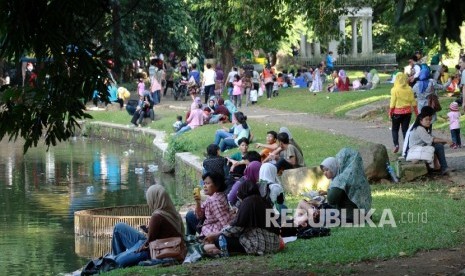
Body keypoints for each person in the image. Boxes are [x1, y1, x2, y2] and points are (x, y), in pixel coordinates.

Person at [109, 184, 184, 268]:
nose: (148, 202)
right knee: (119, 227)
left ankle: (115, 261)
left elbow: (149, 242)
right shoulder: (174, 213)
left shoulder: (157, 216)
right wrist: (150, 229)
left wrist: (137, 249)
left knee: (118, 261)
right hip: (157, 243)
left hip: (153, 249)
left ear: (154, 199)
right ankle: (117, 257)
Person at [295, 148, 372, 227]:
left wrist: (319, 203)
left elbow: (331, 200)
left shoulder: (341, 179)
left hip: (348, 217)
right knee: (310, 208)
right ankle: (298, 219)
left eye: (339, 159)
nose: (338, 161)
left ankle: (297, 221)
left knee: (312, 211)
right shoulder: (359, 178)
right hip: (364, 215)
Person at [203, 180, 281, 256]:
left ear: (243, 191)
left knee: (220, 239)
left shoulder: (248, 202)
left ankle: (214, 249)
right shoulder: (265, 202)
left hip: (261, 245)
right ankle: (212, 248)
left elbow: (236, 228)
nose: (237, 193)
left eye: (238, 191)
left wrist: (216, 234)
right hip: (275, 244)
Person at [407, 109, 453, 175]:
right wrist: (445, 140)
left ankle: (439, 167)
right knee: (439, 146)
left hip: (419, 149)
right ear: (421, 121)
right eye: (426, 120)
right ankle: (444, 168)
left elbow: (433, 138)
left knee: (438, 145)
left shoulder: (422, 128)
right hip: (416, 151)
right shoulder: (420, 129)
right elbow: (432, 140)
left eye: (429, 120)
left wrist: (444, 140)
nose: (429, 121)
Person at [389, 73, 418, 153]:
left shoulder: (394, 90)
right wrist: (416, 113)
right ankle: (406, 147)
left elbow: (392, 102)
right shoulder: (409, 89)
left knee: (395, 129)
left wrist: (390, 112)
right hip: (407, 113)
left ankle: (396, 145)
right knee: (405, 130)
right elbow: (413, 102)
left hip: (397, 113)